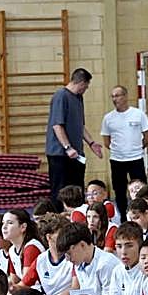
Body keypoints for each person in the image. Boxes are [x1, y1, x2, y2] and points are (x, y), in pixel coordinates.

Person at [45, 68, 103, 201]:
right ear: (82, 83)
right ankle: (58, 218)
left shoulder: (78, 98)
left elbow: (80, 125)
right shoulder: (61, 96)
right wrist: (67, 147)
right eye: (86, 86)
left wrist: (92, 143)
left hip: (76, 154)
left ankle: (77, 217)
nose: (86, 89)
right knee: (60, 190)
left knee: (77, 189)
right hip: (60, 154)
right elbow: (57, 125)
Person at [100, 85, 148, 218]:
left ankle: (143, 214)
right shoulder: (108, 118)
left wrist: (135, 149)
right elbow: (106, 141)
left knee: (141, 190)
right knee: (119, 191)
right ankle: (124, 217)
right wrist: (119, 150)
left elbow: (147, 136)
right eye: (112, 96)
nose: (114, 99)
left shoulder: (138, 114)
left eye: (117, 95)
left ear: (125, 96)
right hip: (117, 160)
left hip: (136, 159)